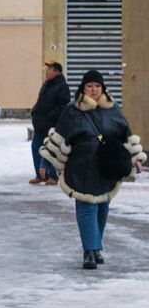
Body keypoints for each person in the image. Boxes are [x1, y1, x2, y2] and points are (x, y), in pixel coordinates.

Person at [40, 70, 145, 270]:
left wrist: (135, 158)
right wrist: (46, 163)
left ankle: (96, 248)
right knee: (87, 207)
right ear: (83, 88)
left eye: (98, 86)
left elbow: (126, 134)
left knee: (102, 208)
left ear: (103, 88)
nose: (94, 90)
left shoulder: (113, 109)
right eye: (90, 86)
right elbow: (58, 139)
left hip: (107, 166)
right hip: (82, 167)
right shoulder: (72, 111)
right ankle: (89, 251)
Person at [29, 61, 71, 185]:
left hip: (51, 125)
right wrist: (34, 111)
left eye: (49, 69)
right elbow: (41, 101)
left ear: (57, 72)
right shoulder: (47, 84)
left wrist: (48, 117)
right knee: (36, 148)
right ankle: (40, 175)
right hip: (40, 124)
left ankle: (52, 176)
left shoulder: (62, 86)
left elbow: (63, 105)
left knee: (51, 150)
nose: (46, 72)